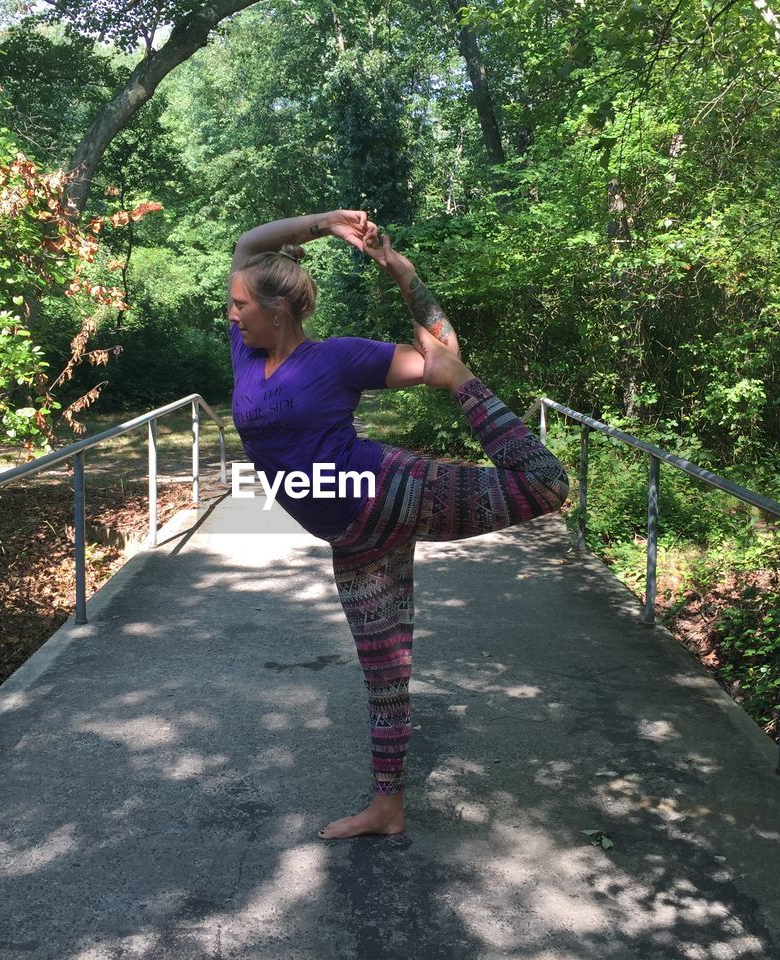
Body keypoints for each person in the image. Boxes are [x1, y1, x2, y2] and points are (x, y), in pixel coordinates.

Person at [227, 210, 569, 840]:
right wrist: (328, 223)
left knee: (545, 485)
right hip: (354, 540)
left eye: (241, 304)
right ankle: (387, 807)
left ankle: (475, 394)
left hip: (395, 491)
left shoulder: (338, 358)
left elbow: (437, 354)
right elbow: (250, 242)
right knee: (383, 676)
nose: (231, 312)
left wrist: (403, 273)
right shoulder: (246, 358)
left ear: (277, 310)